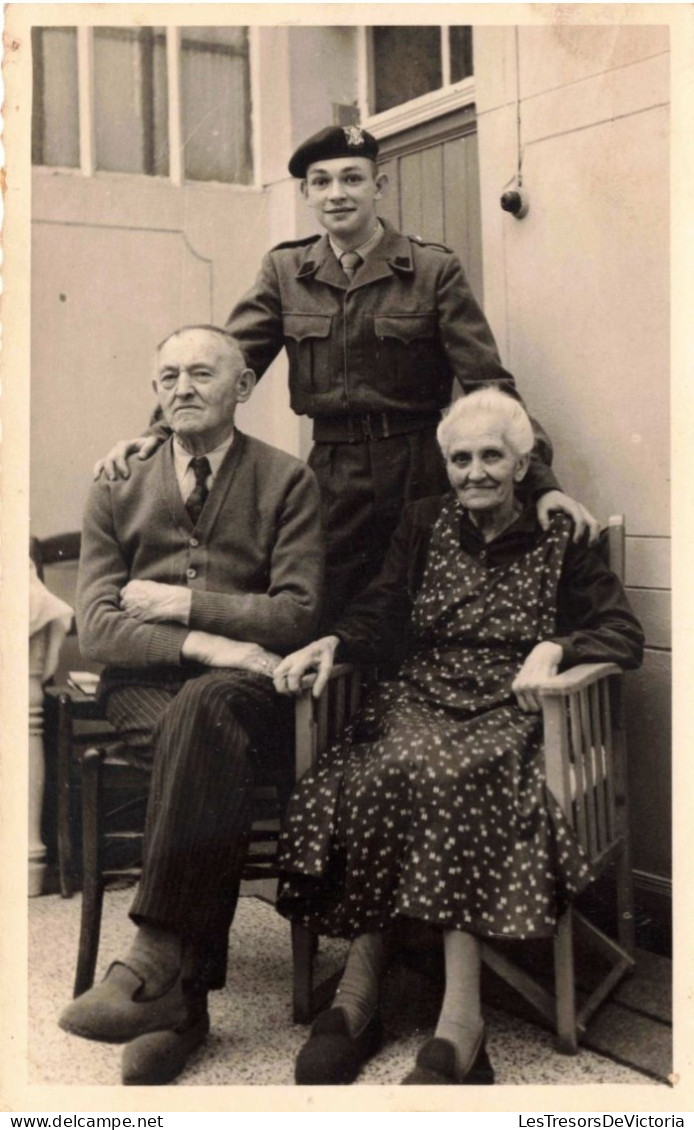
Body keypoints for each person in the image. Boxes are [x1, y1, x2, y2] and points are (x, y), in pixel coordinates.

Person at [271, 386, 644, 1087]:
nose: (475, 472)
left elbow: (625, 634)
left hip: (516, 707)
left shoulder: (562, 533)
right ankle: (358, 998)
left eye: (492, 457)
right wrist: (335, 640)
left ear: (523, 462)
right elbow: (382, 610)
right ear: (446, 464)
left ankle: (461, 1023)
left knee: (449, 771)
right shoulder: (421, 523)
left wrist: (556, 648)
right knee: (377, 767)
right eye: (461, 458)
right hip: (422, 691)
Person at [93, 124, 598, 627]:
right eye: (322, 182)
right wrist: (157, 434)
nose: (337, 194)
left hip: (418, 468)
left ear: (379, 187)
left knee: (422, 604)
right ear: (306, 193)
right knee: (325, 609)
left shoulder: (430, 270)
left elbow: (490, 387)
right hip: (333, 475)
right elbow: (219, 366)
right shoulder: (285, 272)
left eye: (352, 179)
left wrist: (540, 482)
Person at [58, 326, 323, 1086]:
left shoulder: (286, 481)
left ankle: (158, 967)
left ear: (242, 387)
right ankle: (183, 996)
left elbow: (298, 613)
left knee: (203, 717)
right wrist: (209, 644)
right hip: (151, 686)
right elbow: (97, 627)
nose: (182, 387)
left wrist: (182, 603)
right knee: (196, 718)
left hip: (250, 694)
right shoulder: (117, 483)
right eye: (168, 375)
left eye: (202, 373)